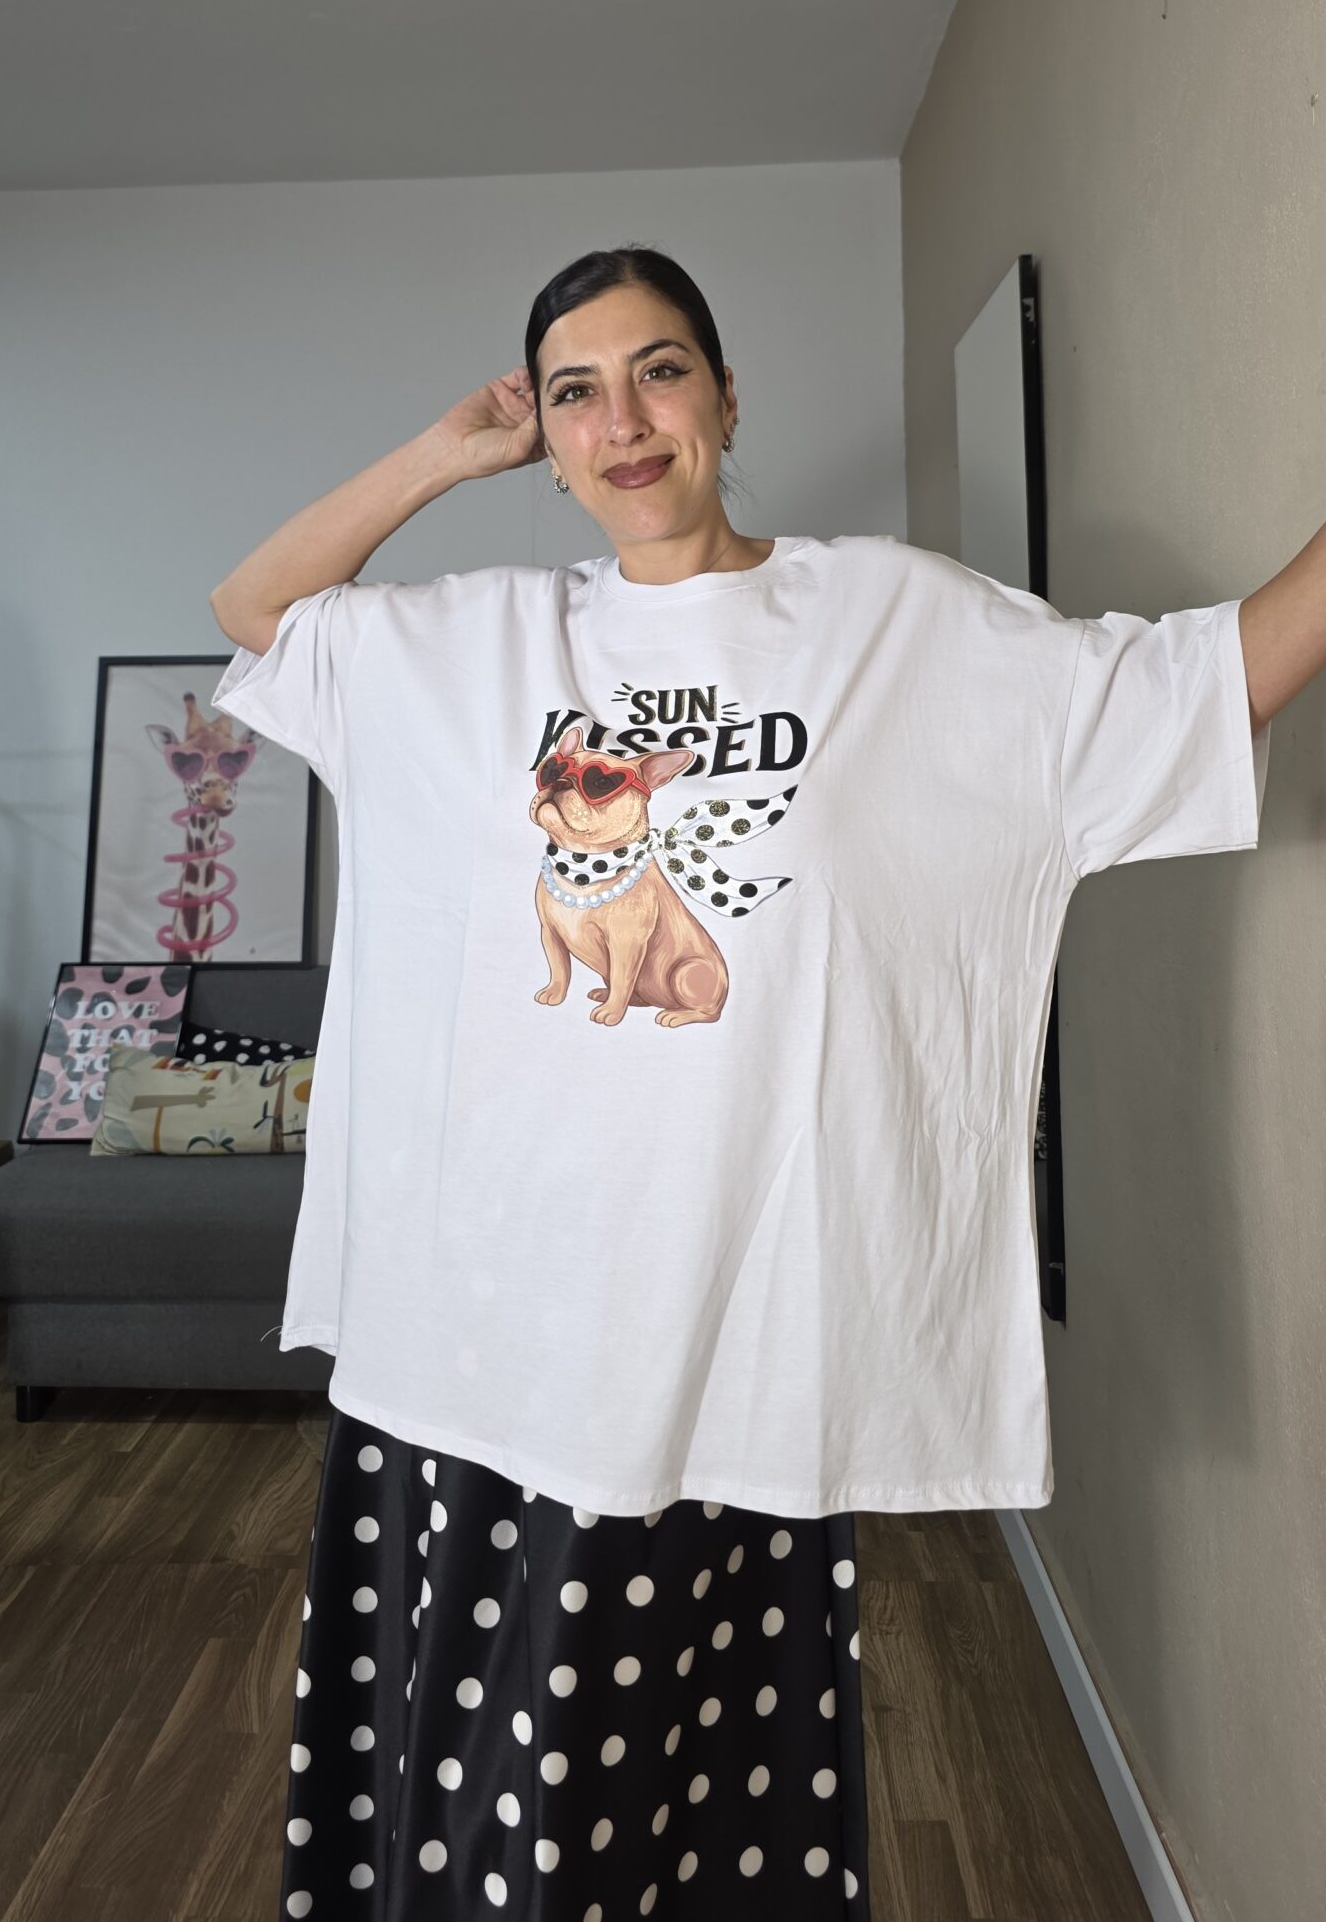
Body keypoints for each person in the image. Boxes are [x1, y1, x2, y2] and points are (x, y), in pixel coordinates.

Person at [209, 243, 1277, 1921]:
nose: (622, 421)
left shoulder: (891, 622)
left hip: (744, 1333)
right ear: (543, 437)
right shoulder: (480, 641)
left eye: (658, 371)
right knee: (480, 1811)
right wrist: (440, 453)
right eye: (574, 392)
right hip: (489, 1333)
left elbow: (1195, 687)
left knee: (696, 1808)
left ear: (723, 395)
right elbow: (257, 614)